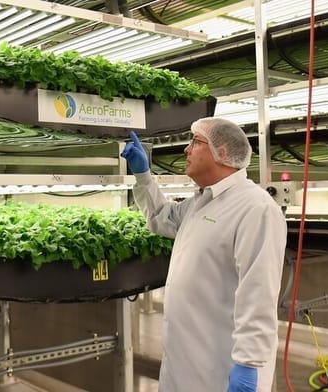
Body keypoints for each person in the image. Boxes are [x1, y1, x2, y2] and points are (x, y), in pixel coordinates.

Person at [121, 117, 286, 392]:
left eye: (195, 142)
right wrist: (143, 175)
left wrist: (248, 363)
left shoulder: (255, 209)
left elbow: (259, 294)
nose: (186, 150)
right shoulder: (201, 201)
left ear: (222, 152)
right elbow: (161, 217)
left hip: (222, 366)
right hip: (184, 361)